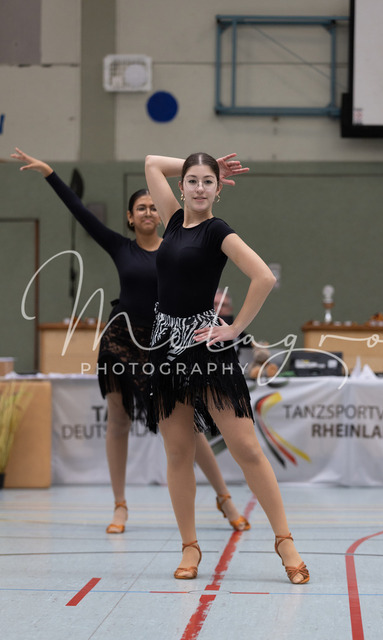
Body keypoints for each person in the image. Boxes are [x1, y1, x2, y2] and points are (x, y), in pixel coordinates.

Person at [11, 147, 250, 534]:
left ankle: (224, 497)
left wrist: (205, 169)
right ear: (130, 217)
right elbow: (81, 213)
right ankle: (120, 505)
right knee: (118, 419)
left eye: (152, 206)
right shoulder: (120, 247)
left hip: (166, 340)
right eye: (140, 208)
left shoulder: (181, 239)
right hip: (122, 340)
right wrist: (51, 174)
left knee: (190, 425)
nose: (148, 212)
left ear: (161, 208)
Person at [144, 152, 309, 583]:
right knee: (178, 452)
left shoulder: (217, 230)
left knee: (246, 447)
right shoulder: (172, 220)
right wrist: (208, 162)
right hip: (165, 347)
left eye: (208, 181)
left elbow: (263, 277)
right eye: (193, 180)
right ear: (182, 186)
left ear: (218, 190)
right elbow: (151, 163)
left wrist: (234, 328)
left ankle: (284, 540)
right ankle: (190, 547)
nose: (199, 188)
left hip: (206, 347)